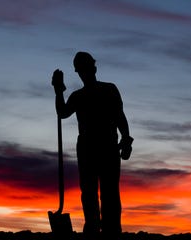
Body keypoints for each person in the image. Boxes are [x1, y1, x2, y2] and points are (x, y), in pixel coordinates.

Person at [51, 51, 133, 240]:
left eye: (85, 68)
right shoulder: (78, 96)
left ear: (93, 69)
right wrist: (58, 91)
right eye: (80, 70)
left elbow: (120, 116)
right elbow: (62, 113)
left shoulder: (109, 89)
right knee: (89, 193)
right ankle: (94, 230)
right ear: (78, 72)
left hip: (108, 146)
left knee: (109, 192)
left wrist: (127, 139)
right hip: (88, 148)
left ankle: (111, 231)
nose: (83, 73)